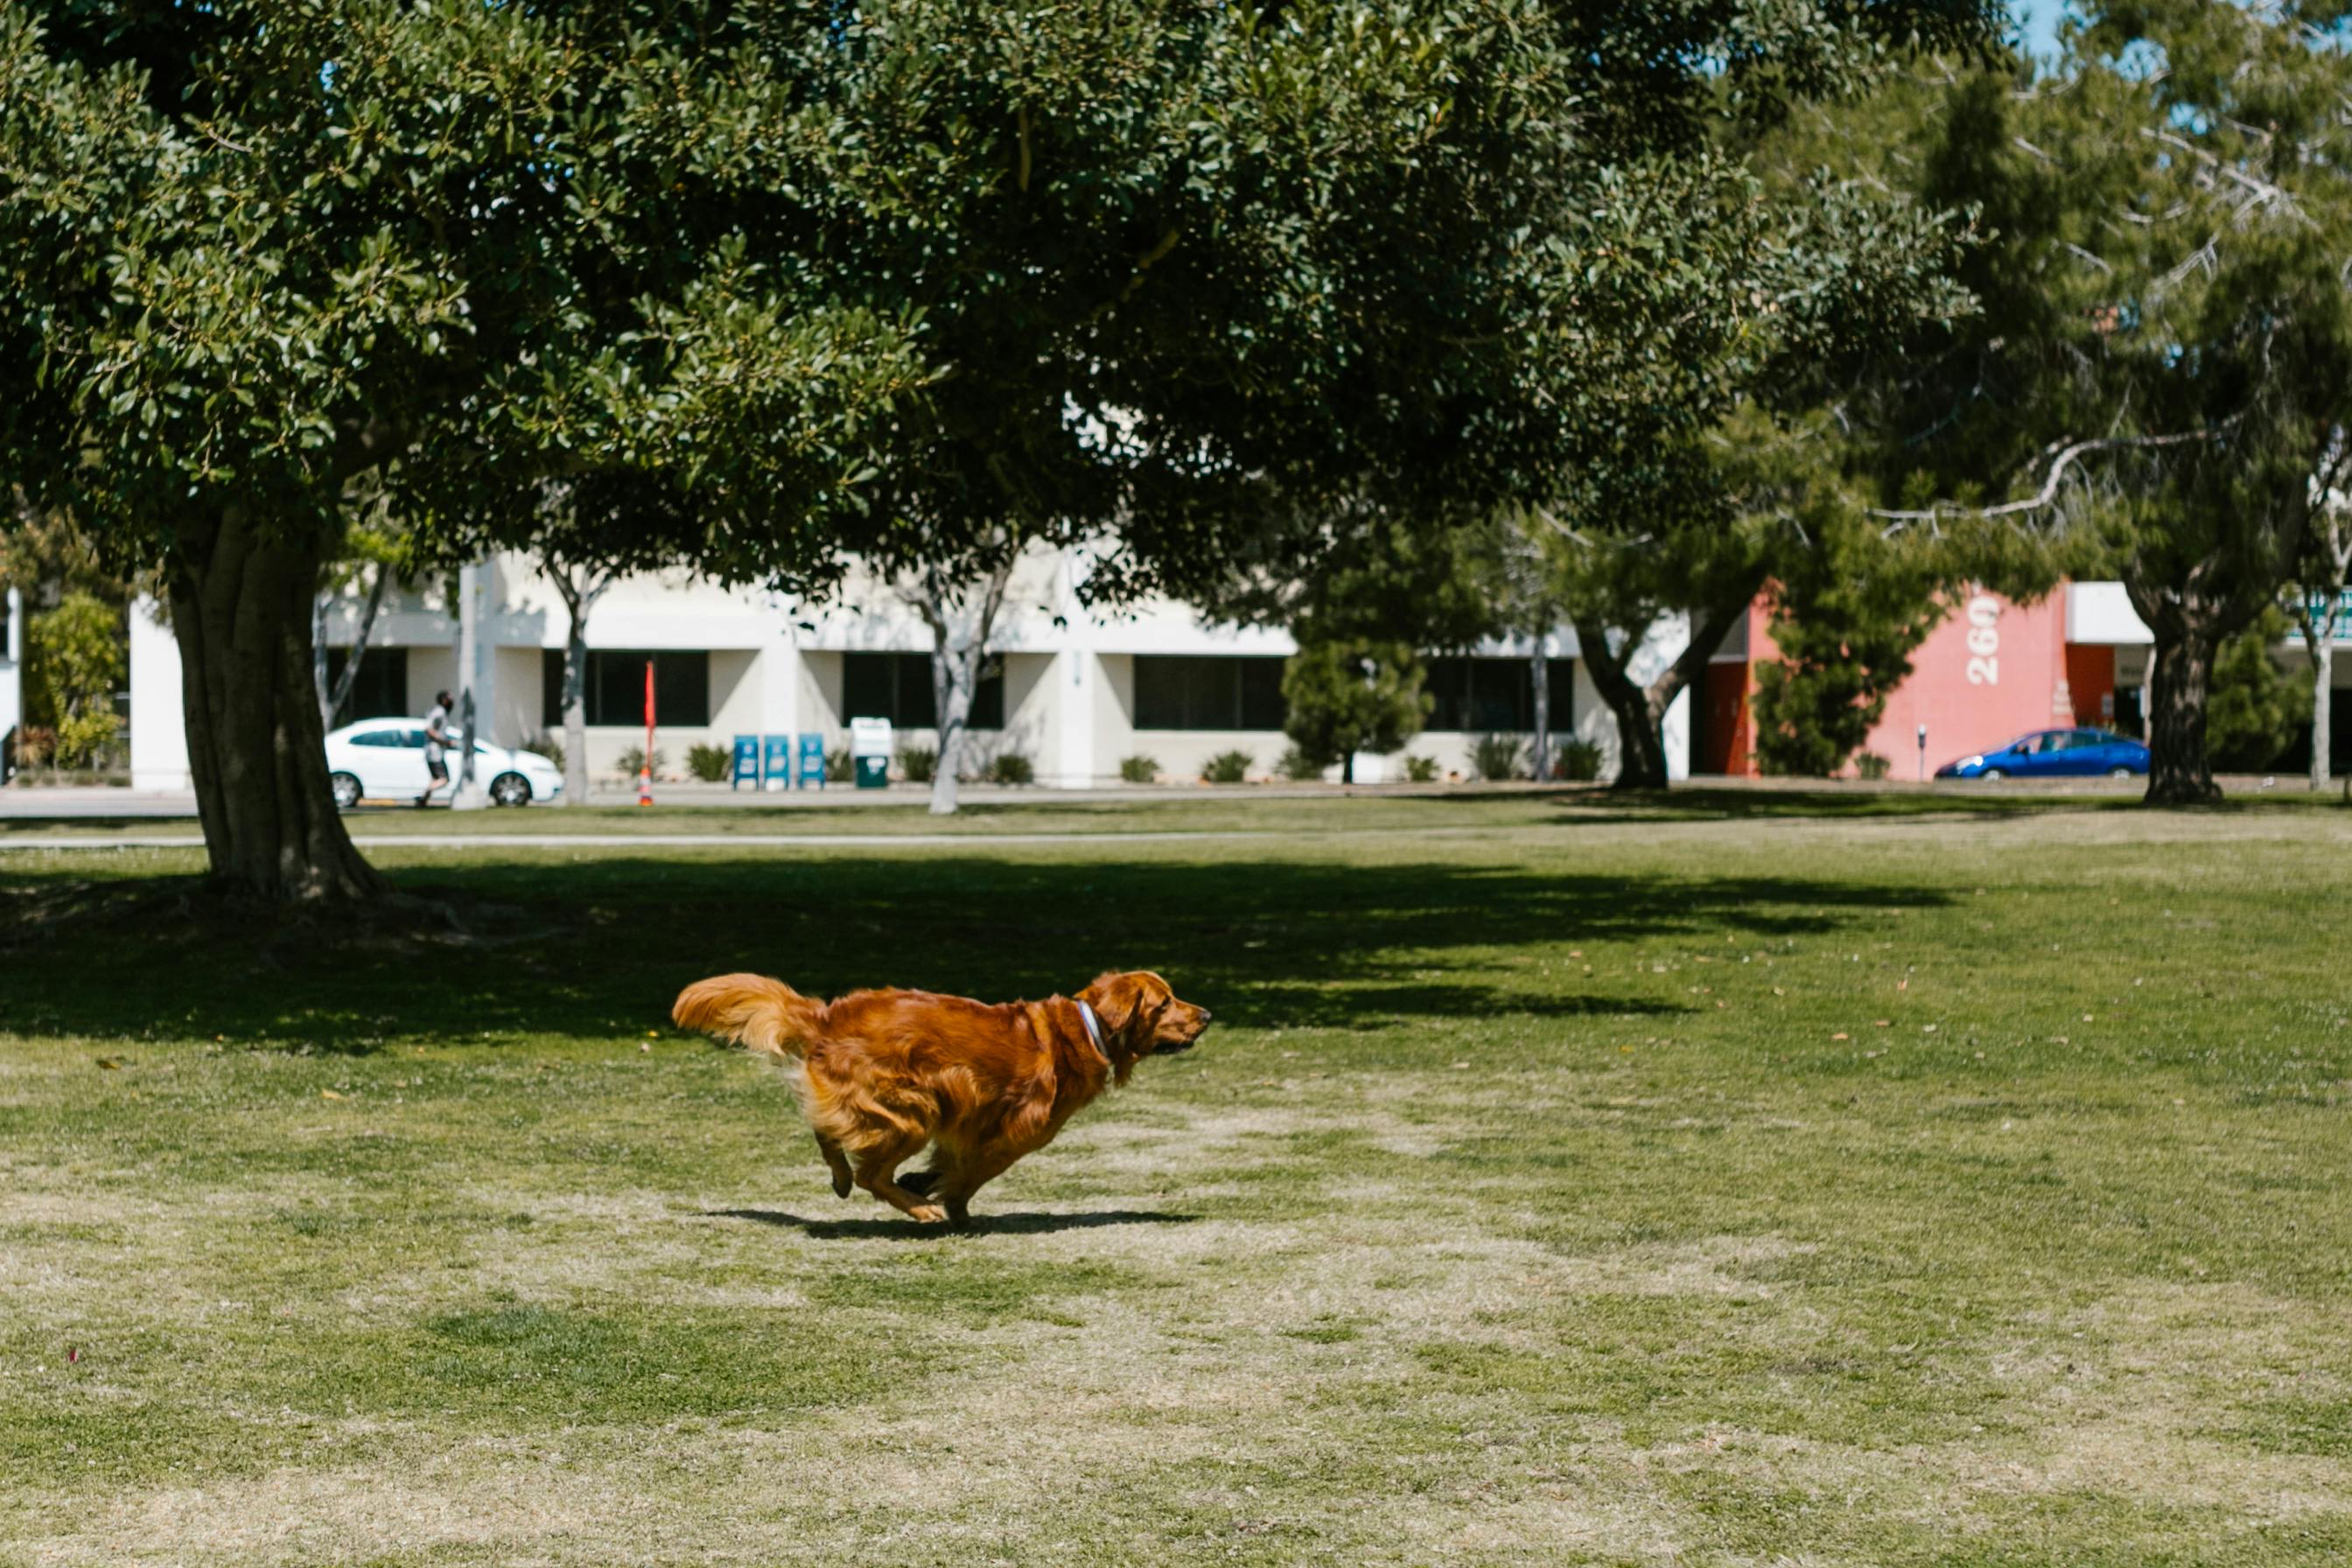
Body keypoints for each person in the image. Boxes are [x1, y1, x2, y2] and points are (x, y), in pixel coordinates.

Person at [418, 690, 456, 808]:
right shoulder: (439, 712)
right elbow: (428, 729)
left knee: (435, 778)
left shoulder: (437, 711)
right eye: (450, 698)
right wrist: (444, 742)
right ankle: (422, 794)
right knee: (444, 778)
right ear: (444, 700)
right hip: (435, 751)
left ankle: (423, 801)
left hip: (432, 750)